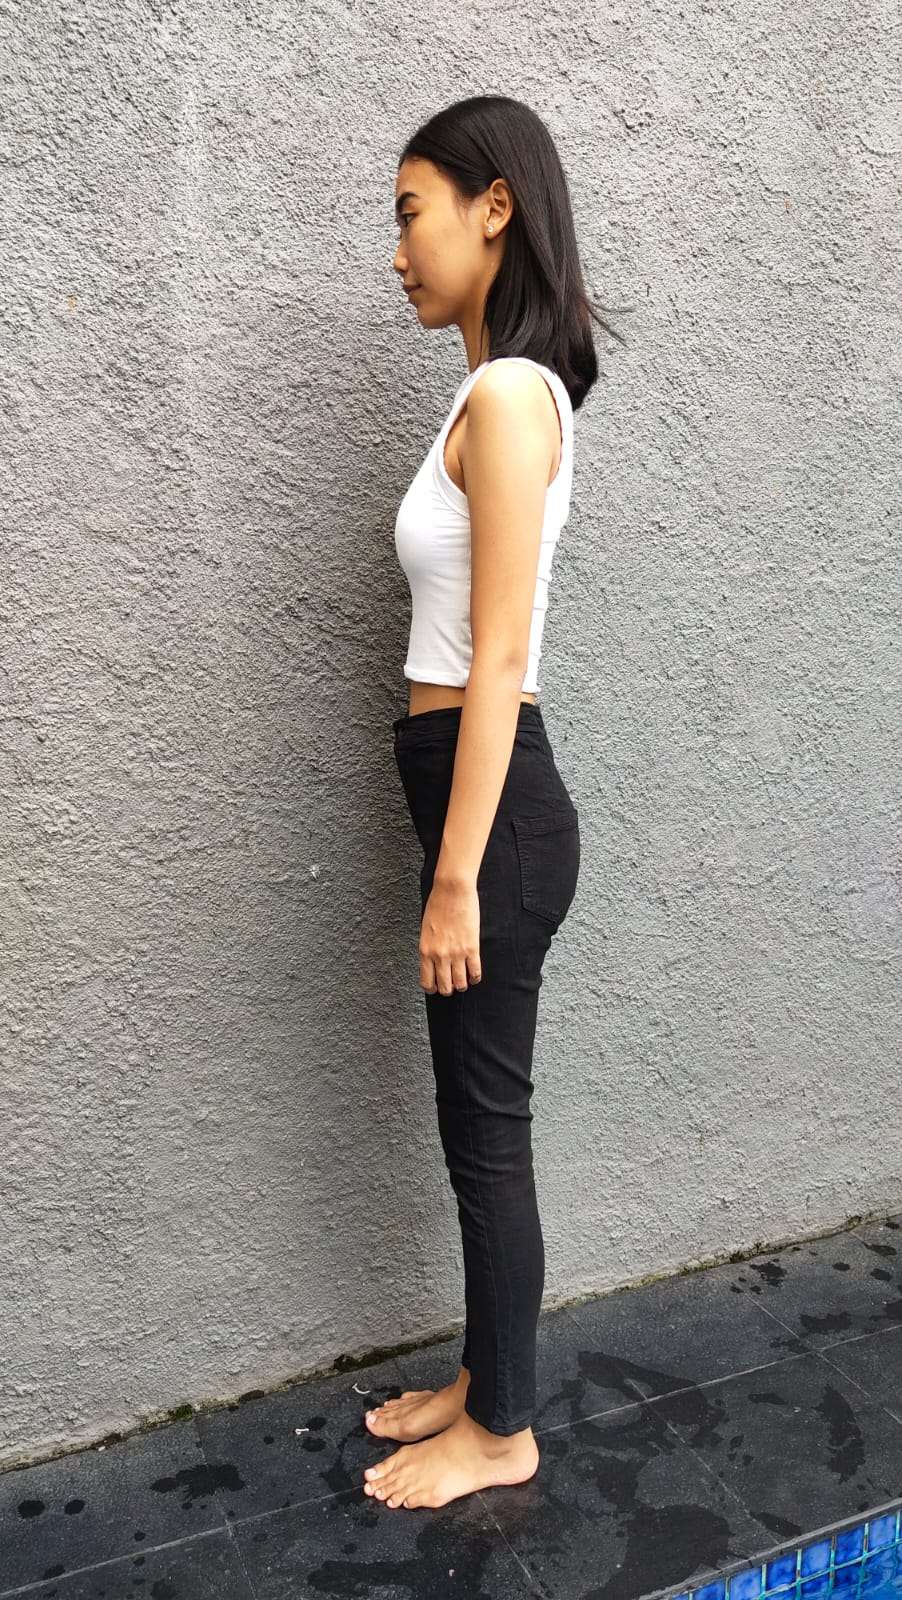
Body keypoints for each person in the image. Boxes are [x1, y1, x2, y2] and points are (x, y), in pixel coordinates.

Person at [363, 95, 624, 1512]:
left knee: (487, 1130)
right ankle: (486, 1376)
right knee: (475, 1127)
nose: (399, 249)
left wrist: (457, 874)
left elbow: (500, 654)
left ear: (493, 208)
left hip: (495, 814)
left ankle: (506, 1430)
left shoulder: (512, 396)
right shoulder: (490, 398)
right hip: (474, 804)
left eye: (412, 213)